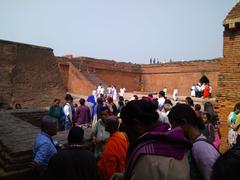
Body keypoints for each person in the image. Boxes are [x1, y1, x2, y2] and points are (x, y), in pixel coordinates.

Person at [112, 100, 191, 180]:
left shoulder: (146, 157)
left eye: (127, 129)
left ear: (137, 124)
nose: (127, 135)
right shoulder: (171, 140)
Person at [168, 103, 220, 180]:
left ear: (183, 122)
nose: (172, 129)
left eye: (173, 125)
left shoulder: (201, 148)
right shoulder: (193, 144)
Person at [98, 116, 128, 180]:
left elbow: (109, 169)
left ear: (110, 127)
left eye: (106, 124)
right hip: (122, 171)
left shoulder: (112, 143)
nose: (105, 125)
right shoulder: (122, 137)